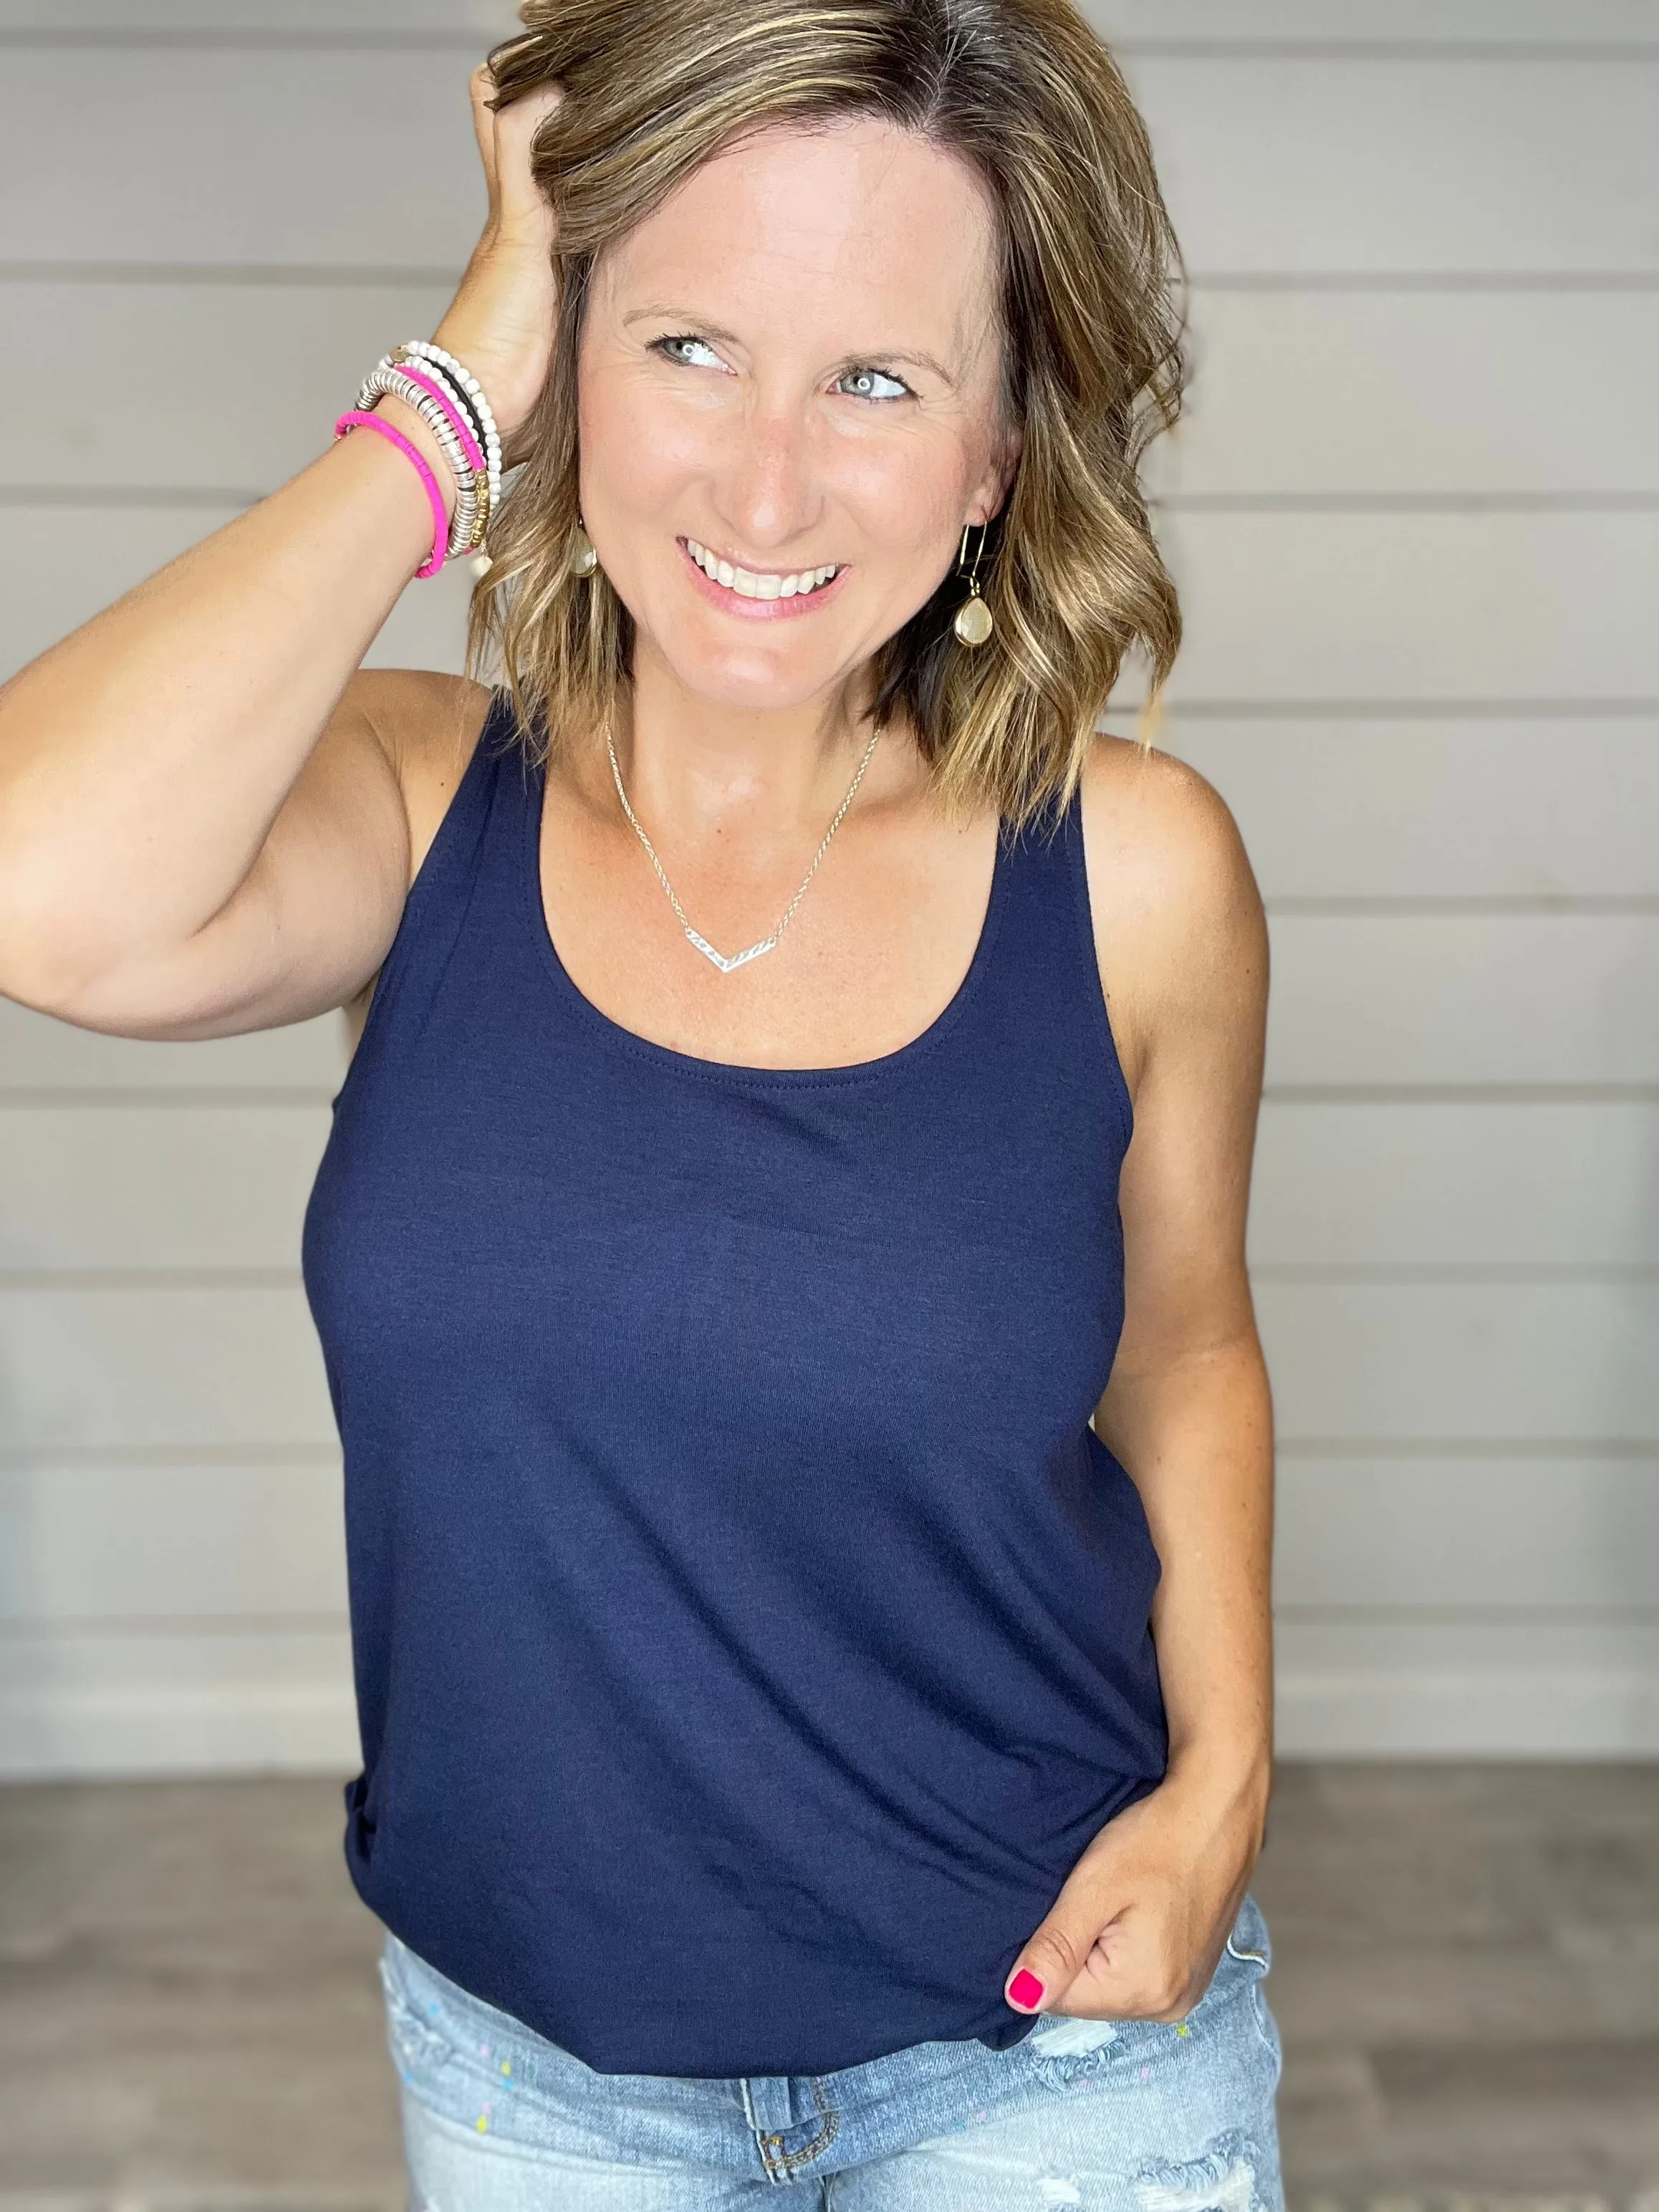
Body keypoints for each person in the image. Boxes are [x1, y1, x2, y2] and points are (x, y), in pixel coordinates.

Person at [0, 0, 1280, 2201]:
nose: (765, 482)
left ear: (994, 454)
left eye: (876, 379)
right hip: (535, 2069)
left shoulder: (1134, 866)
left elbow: (1179, 1348)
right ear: (572, 367)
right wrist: (468, 360)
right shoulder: (422, 811)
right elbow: (41, 888)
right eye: (683, 344)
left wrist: (1224, 1784)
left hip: (1043, 2036)